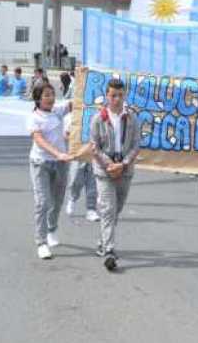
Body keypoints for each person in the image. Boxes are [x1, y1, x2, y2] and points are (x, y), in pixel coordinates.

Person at [90, 78, 140, 271]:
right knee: (109, 209)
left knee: (115, 209)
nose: (116, 99)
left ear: (124, 95)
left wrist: (124, 163)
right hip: (104, 170)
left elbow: (136, 145)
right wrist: (110, 164)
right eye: (113, 95)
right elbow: (94, 147)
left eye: (120, 95)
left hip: (125, 171)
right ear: (107, 96)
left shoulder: (132, 118)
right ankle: (109, 251)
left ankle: (103, 240)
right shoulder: (98, 118)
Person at [28, 82, 72, 260]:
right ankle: (41, 242)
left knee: (57, 200)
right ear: (38, 98)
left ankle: (52, 229)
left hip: (61, 163)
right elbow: (39, 140)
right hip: (41, 163)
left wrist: (83, 75)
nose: (50, 98)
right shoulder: (33, 118)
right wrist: (58, 153)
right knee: (43, 202)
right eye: (46, 95)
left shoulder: (57, 110)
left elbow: (75, 103)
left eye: (52, 94)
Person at [63, 110, 100, 222]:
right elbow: (66, 134)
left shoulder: (99, 115)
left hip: (94, 154)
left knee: (93, 182)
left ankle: (91, 209)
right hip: (78, 153)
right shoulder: (72, 116)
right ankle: (72, 199)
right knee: (75, 180)